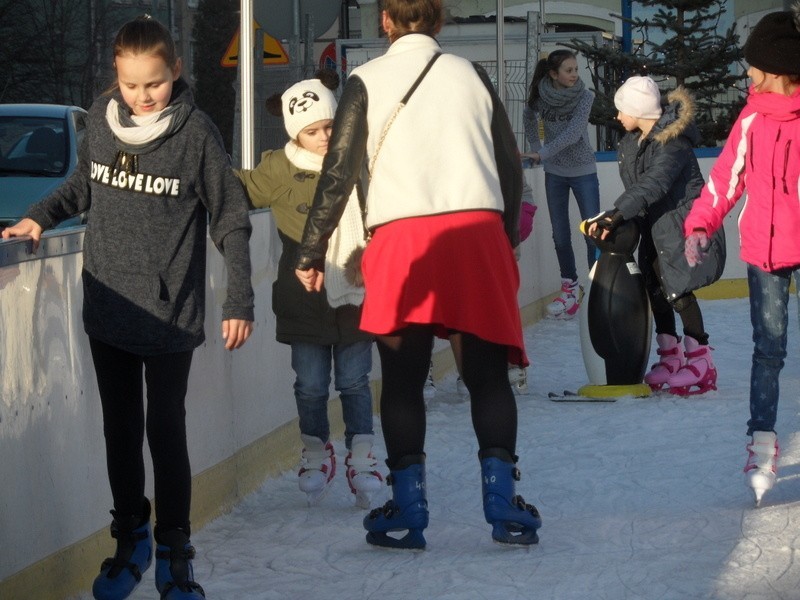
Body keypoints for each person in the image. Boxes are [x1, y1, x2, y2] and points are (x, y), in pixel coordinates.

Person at [2, 15, 254, 600]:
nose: (142, 98)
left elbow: (232, 218)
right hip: (109, 308)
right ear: (115, 75)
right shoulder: (102, 121)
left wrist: (239, 298)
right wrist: (39, 215)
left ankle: (174, 552)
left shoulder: (196, 136)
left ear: (176, 72)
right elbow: (78, 186)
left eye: (155, 84)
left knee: (165, 429)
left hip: (170, 315)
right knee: (120, 431)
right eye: (132, 84)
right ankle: (129, 540)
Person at [293, 0, 541, 549]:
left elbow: (336, 175)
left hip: (401, 241)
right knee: (487, 376)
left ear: (385, 20)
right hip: (475, 235)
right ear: (440, 18)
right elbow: (507, 163)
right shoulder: (471, 75)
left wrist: (311, 252)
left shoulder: (364, 80)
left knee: (403, 381)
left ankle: (408, 506)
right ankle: (503, 505)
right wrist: (504, 238)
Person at [235, 71, 382, 509]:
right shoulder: (279, 167)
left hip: (355, 290)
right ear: (295, 131)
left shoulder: (358, 159)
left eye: (331, 127)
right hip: (302, 296)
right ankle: (316, 451)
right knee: (312, 385)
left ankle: (362, 457)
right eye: (313, 130)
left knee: (355, 381)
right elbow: (238, 188)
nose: (324, 137)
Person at [683, 5, 800, 506]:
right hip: (763, 248)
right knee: (768, 349)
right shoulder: (752, 117)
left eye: (752, 65)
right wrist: (701, 224)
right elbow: (724, 178)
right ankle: (762, 445)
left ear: (774, 69)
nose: (746, 71)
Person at [589, 76, 718, 396]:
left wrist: (618, 212)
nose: (618, 117)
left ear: (637, 110)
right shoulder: (633, 142)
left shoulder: (672, 142)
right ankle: (671, 355)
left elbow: (655, 184)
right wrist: (618, 215)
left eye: (622, 110)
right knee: (654, 286)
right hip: (653, 223)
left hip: (678, 225)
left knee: (678, 288)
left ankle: (701, 360)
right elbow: (639, 189)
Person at [522, 49, 600, 319]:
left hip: (583, 171)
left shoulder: (584, 97)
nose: (575, 75)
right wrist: (535, 146)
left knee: (592, 233)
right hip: (555, 173)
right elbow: (528, 117)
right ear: (553, 74)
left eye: (576, 69)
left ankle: (597, 290)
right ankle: (571, 288)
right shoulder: (541, 97)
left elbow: (573, 134)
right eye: (569, 70)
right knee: (560, 234)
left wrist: (540, 153)